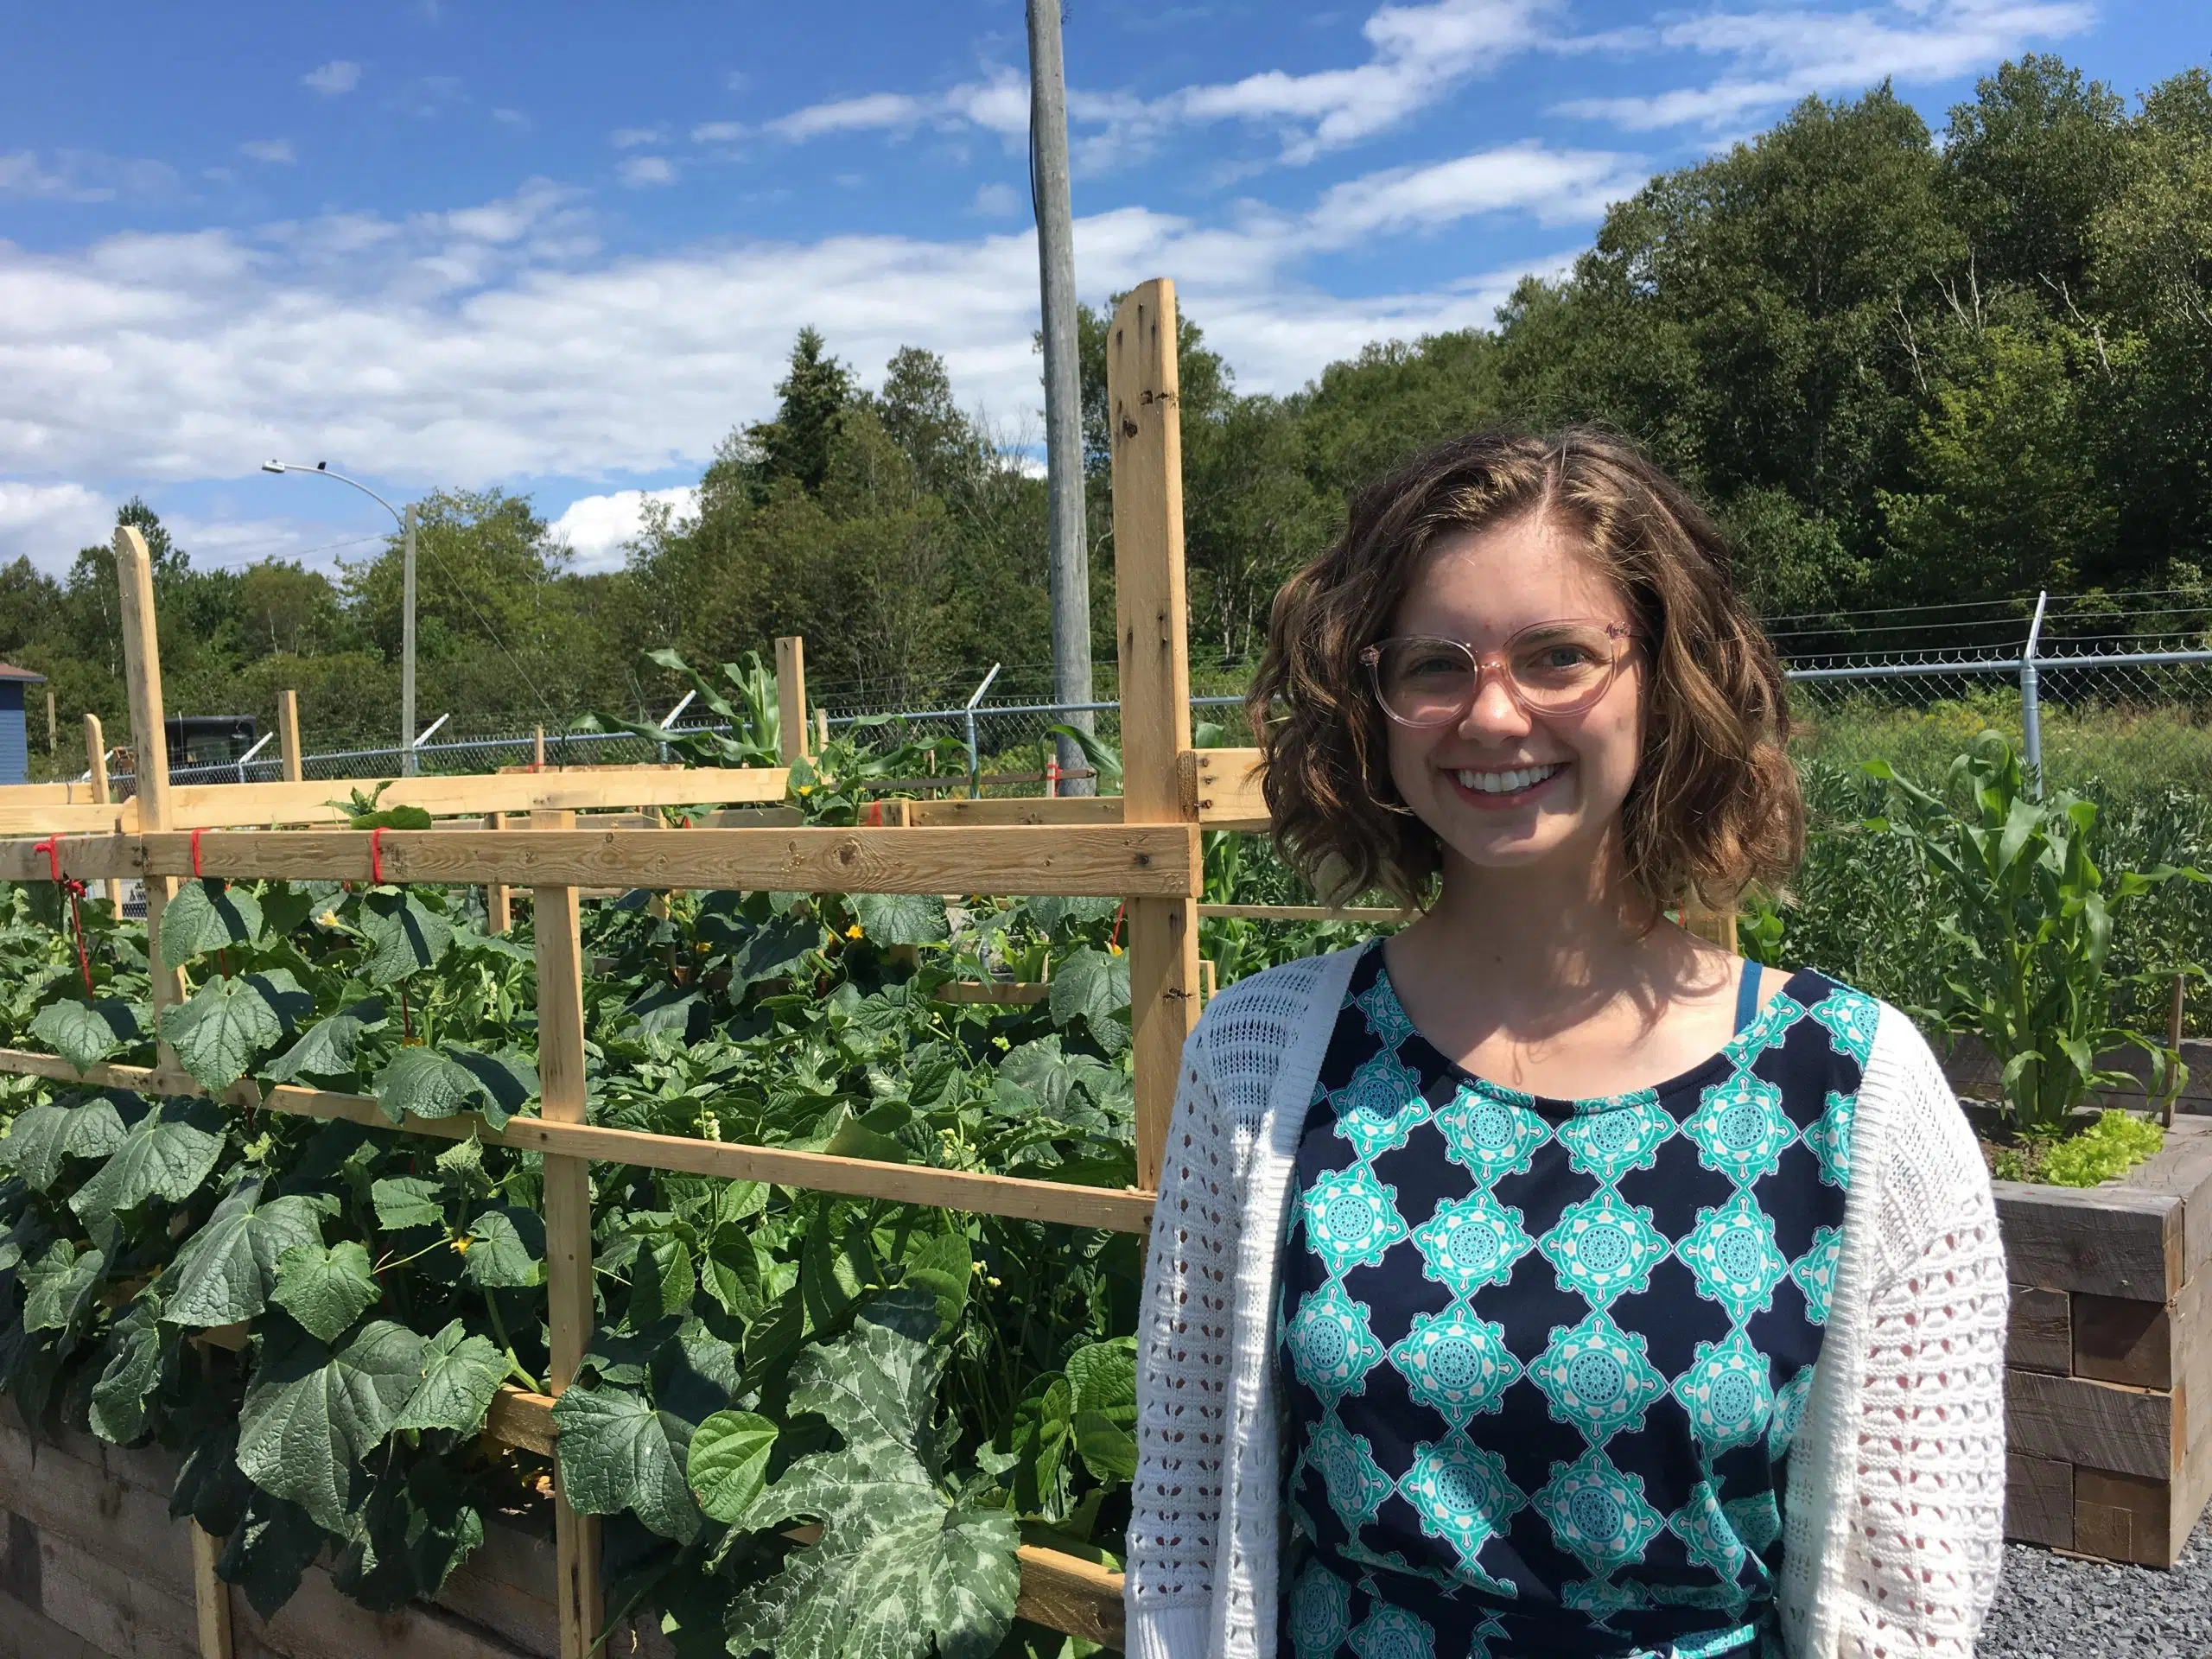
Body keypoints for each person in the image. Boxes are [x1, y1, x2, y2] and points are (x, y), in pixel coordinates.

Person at [1124, 429, 2007, 1659]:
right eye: (1434, 664)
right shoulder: (1264, 1060)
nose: (1492, 713)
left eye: (1558, 656)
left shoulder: (1854, 1090)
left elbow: (1907, 1607)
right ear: (1367, 704)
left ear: (1669, 674)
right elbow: (1185, 1534)